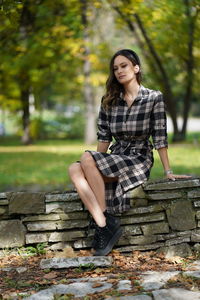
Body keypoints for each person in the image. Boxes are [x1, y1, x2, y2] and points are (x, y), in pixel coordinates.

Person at [68, 49, 189, 256]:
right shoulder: (109, 100)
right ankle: (104, 222)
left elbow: (160, 136)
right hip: (117, 156)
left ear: (136, 68)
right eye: (115, 68)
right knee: (75, 168)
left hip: (139, 159)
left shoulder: (154, 98)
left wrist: (168, 170)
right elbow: (104, 137)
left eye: (124, 66)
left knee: (86, 159)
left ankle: (104, 224)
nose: (119, 71)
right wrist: (93, 167)